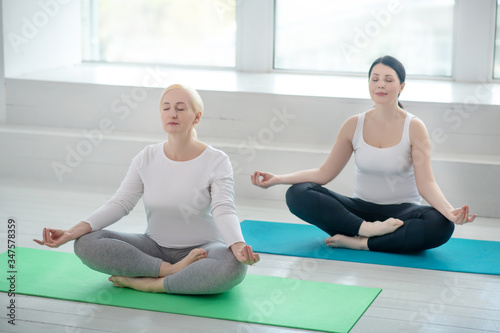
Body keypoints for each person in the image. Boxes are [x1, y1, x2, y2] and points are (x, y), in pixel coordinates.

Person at [35, 84, 260, 294]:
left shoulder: (216, 160)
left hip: (204, 251)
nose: (172, 113)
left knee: (233, 267)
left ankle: (151, 285)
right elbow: (120, 203)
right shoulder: (147, 157)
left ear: (197, 117)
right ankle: (168, 272)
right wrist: (70, 232)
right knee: (85, 243)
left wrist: (237, 245)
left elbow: (223, 208)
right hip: (154, 248)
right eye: (166, 108)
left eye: (181, 108)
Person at [251, 56, 476, 253]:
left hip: (401, 215)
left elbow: (426, 183)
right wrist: (277, 180)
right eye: (375, 79)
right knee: (297, 193)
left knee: (441, 225)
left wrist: (449, 212)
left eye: (388, 80)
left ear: (401, 86)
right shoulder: (353, 124)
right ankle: (366, 231)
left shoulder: (414, 127)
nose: (381, 85)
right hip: (357, 213)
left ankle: (361, 243)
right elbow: (323, 173)